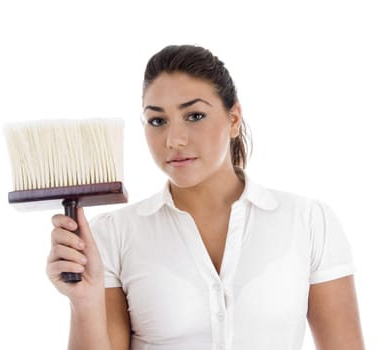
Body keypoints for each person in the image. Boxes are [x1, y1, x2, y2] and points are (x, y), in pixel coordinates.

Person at [47, 45, 365, 350]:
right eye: (157, 120)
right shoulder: (114, 235)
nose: (174, 140)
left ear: (234, 119)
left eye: (195, 115)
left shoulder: (309, 222)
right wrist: (84, 302)